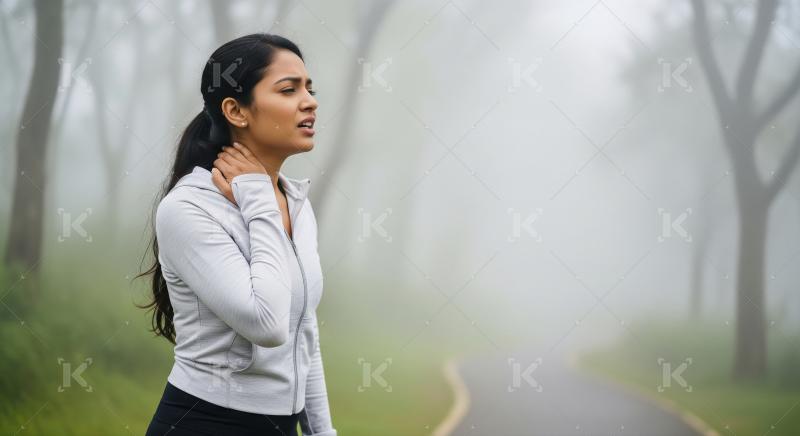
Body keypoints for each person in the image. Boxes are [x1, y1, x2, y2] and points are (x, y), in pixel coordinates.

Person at [137, 33, 336, 436]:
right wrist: (258, 198)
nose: (310, 102)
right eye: (289, 89)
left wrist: (323, 433)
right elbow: (267, 324)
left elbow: (303, 334)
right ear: (235, 110)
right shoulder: (189, 208)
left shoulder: (296, 204)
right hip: (205, 423)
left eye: (309, 89)